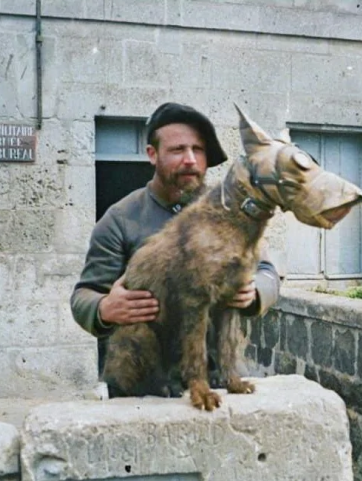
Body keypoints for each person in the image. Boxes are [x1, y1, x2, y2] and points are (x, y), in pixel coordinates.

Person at [70, 102, 281, 377]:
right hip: (145, 382)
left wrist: (254, 292)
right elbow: (84, 294)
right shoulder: (120, 219)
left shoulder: (231, 211)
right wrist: (104, 308)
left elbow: (267, 272)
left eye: (198, 150)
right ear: (152, 154)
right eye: (177, 150)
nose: (190, 160)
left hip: (216, 377)